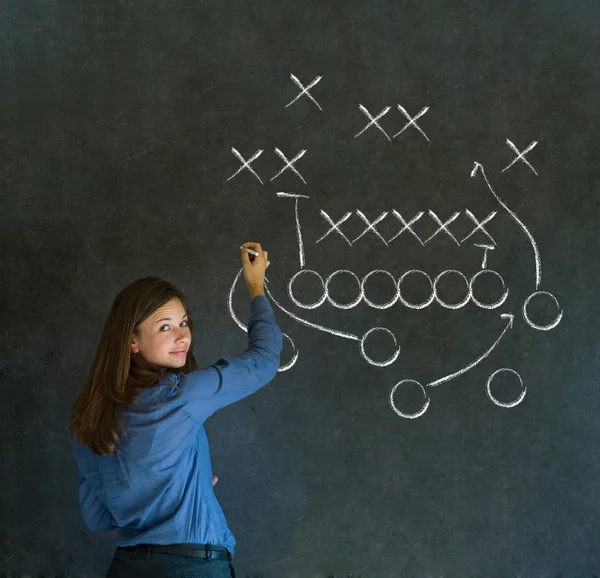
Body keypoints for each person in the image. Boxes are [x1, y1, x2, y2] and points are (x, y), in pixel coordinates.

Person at [70, 242, 283, 578]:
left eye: (184, 322)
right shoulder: (180, 397)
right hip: (191, 568)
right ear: (132, 342)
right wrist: (256, 286)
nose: (183, 335)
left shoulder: (87, 419)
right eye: (165, 326)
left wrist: (174, 490)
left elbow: (97, 518)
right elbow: (265, 361)